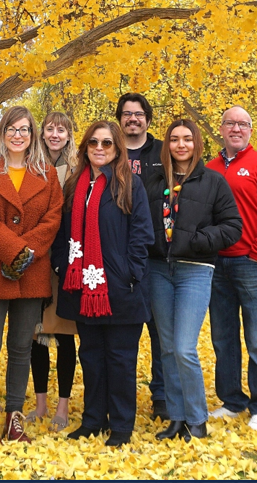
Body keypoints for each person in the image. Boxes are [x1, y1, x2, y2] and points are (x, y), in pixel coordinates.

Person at [0, 105, 64, 443]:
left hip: (31, 272)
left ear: (32, 135)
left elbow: (52, 220)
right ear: (2, 132)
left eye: (24, 129)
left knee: (22, 347)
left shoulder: (47, 174)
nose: (18, 135)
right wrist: (13, 250)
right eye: (11, 128)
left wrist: (25, 254)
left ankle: (14, 416)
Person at [53, 121, 154, 447]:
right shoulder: (75, 185)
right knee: (92, 357)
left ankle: (121, 425)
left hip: (120, 288)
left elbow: (142, 234)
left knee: (121, 360)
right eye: (93, 142)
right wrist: (62, 265)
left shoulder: (130, 184)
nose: (99, 148)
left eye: (107, 143)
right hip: (84, 288)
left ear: (117, 148)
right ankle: (93, 420)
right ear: (85, 148)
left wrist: (130, 273)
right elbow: (63, 231)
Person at [144, 119, 243, 441]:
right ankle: (177, 417)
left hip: (195, 270)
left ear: (196, 143)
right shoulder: (155, 181)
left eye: (187, 139)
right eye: (174, 139)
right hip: (159, 270)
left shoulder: (213, 181)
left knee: (185, 347)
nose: (181, 145)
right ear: (167, 145)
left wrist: (198, 240)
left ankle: (197, 419)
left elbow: (233, 226)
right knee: (168, 349)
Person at [205, 105, 257, 432]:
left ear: (250, 130)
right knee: (222, 337)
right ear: (221, 129)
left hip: (251, 262)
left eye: (243, 124)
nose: (236, 128)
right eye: (230, 123)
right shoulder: (208, 168)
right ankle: (232, 401)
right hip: (215, 265)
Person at [115, 92, 168, 422]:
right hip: (118, 256)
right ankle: (121, 398)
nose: (132, 119)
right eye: (127, 114)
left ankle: (161, 395)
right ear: (120, 119)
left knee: (160, 332)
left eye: (138, 114)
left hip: (158, 256)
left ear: (148, 119)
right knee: (123, 334)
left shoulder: (163, 151)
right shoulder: (110, 150)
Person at [30, 111, 79, 430]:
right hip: (36, 259)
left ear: (69, 135)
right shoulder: (31, 166)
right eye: (50, 129)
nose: (55, 135)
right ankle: (40, 404)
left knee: (64, 335)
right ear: (43, 133)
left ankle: (62, 406)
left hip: (65, 260)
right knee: (35, 334)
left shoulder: (77, 170)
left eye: (61, 130)